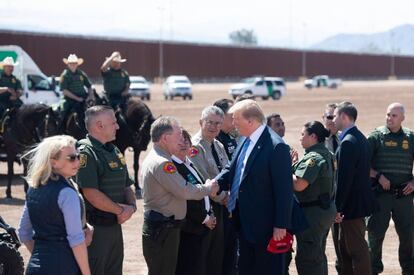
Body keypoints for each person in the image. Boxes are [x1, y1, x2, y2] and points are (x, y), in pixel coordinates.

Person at [216, 99, 294, 275]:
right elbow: (233, 168)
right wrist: (217, 182)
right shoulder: (245, 139)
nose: (233, 123)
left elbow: (284, 190)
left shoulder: (276, 146)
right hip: (245, 222)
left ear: (250, 121)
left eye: (236, 119)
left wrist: (280, 225)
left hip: (267, 227)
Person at [141, 116, 219, 275]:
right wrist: (207, 188)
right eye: (178, 135)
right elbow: (185, 191)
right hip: (162, 229)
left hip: (164, 228)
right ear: (164, 138)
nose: (181, 139)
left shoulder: (160, 158)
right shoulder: (163, 163)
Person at [18, 135, 93, 275]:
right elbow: (76, 239)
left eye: (78, 156)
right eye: (71, 158)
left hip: (35, 267)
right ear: (53, 163)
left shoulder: (33, 188)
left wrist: (42, 257)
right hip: (64, 267)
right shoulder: (67, 193)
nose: (77, 161)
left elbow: (23, 232)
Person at [76, 105, 136, 275]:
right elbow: (91, 194)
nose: (117, 126)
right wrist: (120, 210)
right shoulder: (86, 153)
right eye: (114, 122)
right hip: (95, 229)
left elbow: (126, 184)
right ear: (99, 126)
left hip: (114, 227)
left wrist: (131, 207)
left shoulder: (113, 150)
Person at [367, 102, 414, 275]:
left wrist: (413, 182)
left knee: (408, 236)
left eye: (394, 115)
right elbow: (361, 164)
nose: (390, 118)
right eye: (388, 114)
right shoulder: (376, 136)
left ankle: (409, 270)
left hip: (404, 196)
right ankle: (372, 269)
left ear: (402, 118)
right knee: (375, 235)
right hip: (381, 196)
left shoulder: (410, 137)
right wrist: (378, 176)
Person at [332, 101, 377, 275]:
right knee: (347, 248)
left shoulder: (348, 142)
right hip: (356, 204)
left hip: (351, 207)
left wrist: (338, 208)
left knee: (357, 250)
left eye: (335, 116)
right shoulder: (360, 138)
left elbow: (344, 180)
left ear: (344, 117)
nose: (333, 120)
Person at [292, 121, 336, 275]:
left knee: (308, 258)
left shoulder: (313, 158)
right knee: (317, 255)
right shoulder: (328, 154)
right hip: (323, 211)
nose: (300, 138)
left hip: (312, 214)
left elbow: (299, 185)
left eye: (303, 134)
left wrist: (285, 168)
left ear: (313, 136)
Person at [190, 105, 229, 275]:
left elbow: (228, 173)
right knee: (204, 256)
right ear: (201, 122)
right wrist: (224, 198)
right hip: (205, 209)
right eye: (209, 122)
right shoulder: (195, 147)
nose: (214, 127)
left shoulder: (218, 145)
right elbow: (204, 180)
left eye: (218, 123)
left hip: (222, 206)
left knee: (218, 255)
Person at [173, 129, 216, 275]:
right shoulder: (175, 167)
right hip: (190, 227)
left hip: (202, 226)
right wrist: (205, 218)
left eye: (186, 140)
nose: (184, 143)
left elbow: (203, 191)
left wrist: (210, 213)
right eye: (180, 141)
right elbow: (186, 198)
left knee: (200, 266)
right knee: (190, 267)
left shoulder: (188, 164)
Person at [322, 102, 342, 274]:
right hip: (322, 203)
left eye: (335, 116)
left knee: (342, 244)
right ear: (323, 119)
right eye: (329, 117)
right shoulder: (317, 140)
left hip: (341, 200)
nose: (332, 120)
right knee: (319, 244)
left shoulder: (346, 139)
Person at [59, 54, 94, 132]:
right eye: (71, 63)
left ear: (77, 64)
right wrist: (77, 98)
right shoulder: (65, 75)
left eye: (74, 63)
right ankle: (61, 132)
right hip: (70, 99)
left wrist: (90, 96)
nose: (73, 65)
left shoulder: (81, 73)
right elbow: (64, 91)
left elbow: (89, 86)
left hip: (83, 97)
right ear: (68, 64)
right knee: (64, 114)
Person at [0, 56, 23, 121]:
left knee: (25, 111)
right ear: (4, 67)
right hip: (1, 102)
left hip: (14, 102)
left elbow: (20, 90)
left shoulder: (15, 79)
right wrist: (6, 89)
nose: (11, 68)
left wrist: (16, 95)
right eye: (9, 66)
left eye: (12, 66)